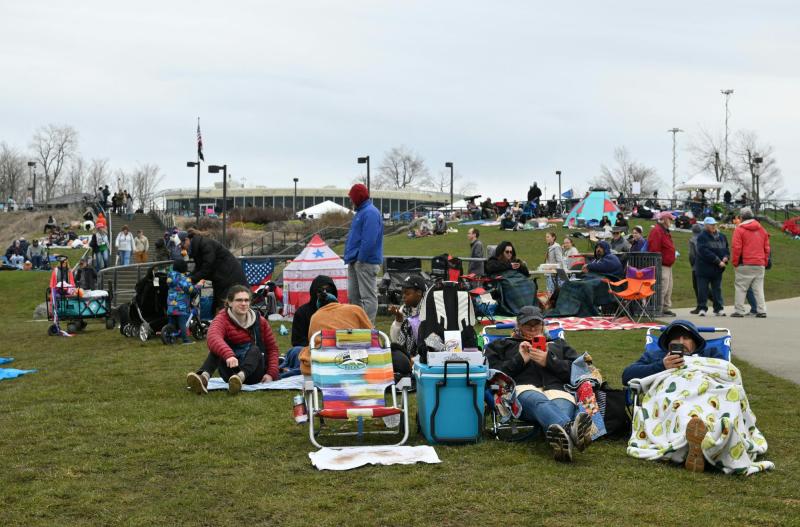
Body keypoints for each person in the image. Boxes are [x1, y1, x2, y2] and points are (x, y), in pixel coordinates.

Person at [622, 320, 772, 475]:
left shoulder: (710, 354)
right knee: (679, 407)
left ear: (695, 341)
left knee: (730, 396)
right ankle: (706, 441)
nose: (681, 342)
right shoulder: (656, 356)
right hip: (674, 393)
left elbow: (729, 373)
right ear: (668, 343)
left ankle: (699, 440)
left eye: (686, 338)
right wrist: (661, 366)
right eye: (675, 339)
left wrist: (693, 364)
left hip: (709, 391)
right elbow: (627, 375)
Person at [484, 306, 593, 462]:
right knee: (538, 401)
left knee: (559, 405)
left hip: (557, 390)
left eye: (537, 324)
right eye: (528, 324)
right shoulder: (503, 344)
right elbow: (493, 375)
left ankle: (563, 441)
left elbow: (578, 371)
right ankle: (571, 429)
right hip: (523, 390)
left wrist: (549, 361)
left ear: (543, 325)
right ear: (519, 326)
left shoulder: (558, 344)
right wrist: (519, 360)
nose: (533, 328)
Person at [186, 285, 279, 394]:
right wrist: (228, 354)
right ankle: (203, 378)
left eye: (246, 300)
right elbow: (213, 337)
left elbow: (272, 349)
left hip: (254, 373)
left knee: (255, 350)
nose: (243, 304)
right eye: (239, 300)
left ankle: (239, 379)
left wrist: (271, 374)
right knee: (216, 349)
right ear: (230, 302)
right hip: (230, 371)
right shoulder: (222, 318)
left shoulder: (260, 321)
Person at [298, 278, 373, 376]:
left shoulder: (315, 316)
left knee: (301, 353)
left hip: (326, 366)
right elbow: (372, 334)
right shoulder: (356, 310)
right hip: (359, 362)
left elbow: (312, 342)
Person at [343, 183, 383, 323]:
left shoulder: (370, 212)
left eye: (351, 197)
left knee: (368, 297)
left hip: (365, 262)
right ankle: (356, 326)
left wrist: (361, 259)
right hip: (356, 261)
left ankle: (368, 328)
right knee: (354, 297)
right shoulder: (362, 212)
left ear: (358, 197)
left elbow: (369, 239)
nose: (350, 200)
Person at [184, 230, 248, 313]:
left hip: (230, 279)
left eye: (182, 245)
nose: (182, 248)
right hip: (222, 280)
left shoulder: (205, 244)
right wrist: (188, 277)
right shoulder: (200, 245)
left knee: (226, 309)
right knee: (220, 308)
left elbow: (207, 268)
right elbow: (199, 268)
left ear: (186, 240)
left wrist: (190, 279)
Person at [283, 275, 335, 379]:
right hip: (310, 350)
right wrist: (316, 347)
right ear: (314, 292)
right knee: (297, 351)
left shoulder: (340, 311)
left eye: (328, 290)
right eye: (321, 290)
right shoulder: (302, 312)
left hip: (335, 351)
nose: (325, 293)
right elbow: (297, 341)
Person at [731, 207, 770, 318]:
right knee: (758, 288)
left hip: (745, 263)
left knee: (741, 287)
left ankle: (739, 310)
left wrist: (735, 262)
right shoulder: (762, 229)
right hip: (759, 263)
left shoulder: (739, 229)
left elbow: (736, 248)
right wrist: (765, 261)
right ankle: (761, 310)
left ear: (741, 217)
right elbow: (767, 248)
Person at [387, 274, 425, 378]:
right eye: (403, 293)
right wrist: (398, 320)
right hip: (408, 355)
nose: (403, 296)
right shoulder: (404, 308)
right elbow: (395, 340)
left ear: (419, 293)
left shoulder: (429, 309)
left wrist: (416, 358)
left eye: (407, 293)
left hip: (423, 355)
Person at [694, 217, 729, 316]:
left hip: (717, 269)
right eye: (711, 225)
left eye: (714, 224)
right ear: (705, 226)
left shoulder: (722, 236)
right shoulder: (702, 237)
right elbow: (704, 251)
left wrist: (726, 257)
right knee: (703, 290)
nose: (713, 226)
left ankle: (718, 309)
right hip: (704, 268)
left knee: (717, 289)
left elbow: (726, 249)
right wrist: (718, 261)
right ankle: (702, 308)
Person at [647, 211, 676, 316]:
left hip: (667, 264)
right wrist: (658, 262)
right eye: (669, 219)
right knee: (662, 287)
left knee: (668, 287)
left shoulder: (665, 231)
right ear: (663, 219)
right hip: (661, 264)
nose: (671, 221)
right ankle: (658, 308)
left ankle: (665, 308)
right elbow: (654, 249)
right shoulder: (657, 231)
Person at [166, 259, 195, 345]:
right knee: (183, 322)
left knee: (171, 322)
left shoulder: (170, 276)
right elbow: (189, 289)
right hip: (181, 305)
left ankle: (168, 337)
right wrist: (197, 287)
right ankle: (185, 339)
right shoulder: (184, 278)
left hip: (171, 304)